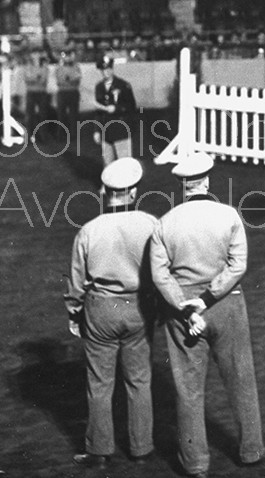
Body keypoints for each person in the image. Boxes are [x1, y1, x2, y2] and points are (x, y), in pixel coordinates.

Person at [150, 152, 265, 478]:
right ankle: (251, 450)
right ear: (207, 180)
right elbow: (238, 266)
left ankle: (195, 463)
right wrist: (207, 297)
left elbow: (160, 275)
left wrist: (184, 304)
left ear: (182, 185)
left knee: (188, 388)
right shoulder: (228, 215)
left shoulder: (165, 223)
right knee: (241, 379)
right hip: (226, 305)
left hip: (182, 312)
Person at [64, 157, 157, 468]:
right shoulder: (150, 224)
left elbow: (77, 281)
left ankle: (99, 451)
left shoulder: (89, 230)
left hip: (101, 308)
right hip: (139, 308)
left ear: (105, 191)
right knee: (139, 379)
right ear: (133, 192)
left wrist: (74, 312)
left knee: (100, 382)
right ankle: (142, 447)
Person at [94, 55, 137, 165]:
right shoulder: (99, 87)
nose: (106, 72)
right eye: (103, 70)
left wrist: (117, 108)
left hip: (121, 130)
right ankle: (107, 183)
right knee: (108, 164)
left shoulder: (123, 85)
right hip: (105, 131)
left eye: (108, 69)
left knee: (124, 163)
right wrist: (97, 131)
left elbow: (131, 106)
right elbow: (98, 111)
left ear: (112, 69)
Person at [54, 46, 81, 140]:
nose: (67, 57)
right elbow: (59, 81)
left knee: (74, 115)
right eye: (65, 55)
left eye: (69, 55)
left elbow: (77, 80)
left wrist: (68, 80)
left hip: (73, 92)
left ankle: (74, 135)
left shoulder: (76, 67)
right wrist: (69, 80)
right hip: (62, 92)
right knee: (61, 115)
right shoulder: (58, 68)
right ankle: (60, 135)